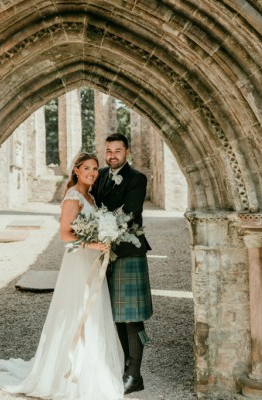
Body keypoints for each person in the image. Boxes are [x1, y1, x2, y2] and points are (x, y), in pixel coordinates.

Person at [0, 152, 125, 400]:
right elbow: (65, 236)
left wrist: (105, 237)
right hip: (79, 262)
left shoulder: (90, 196)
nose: (92, 173)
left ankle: (92, 366)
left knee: (93, 312)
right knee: (77, 311)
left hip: (91, 260)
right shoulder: (72, 197)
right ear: (76, 170)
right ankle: (67, 372)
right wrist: (94, 245)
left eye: (95, 169)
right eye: (87, 168)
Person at [90, 133, 153, 395]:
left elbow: (130, 213)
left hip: (129, 252)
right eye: (108, 151)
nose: (112, 155)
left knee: (132, 318)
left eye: (117, 150)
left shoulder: (137, 179)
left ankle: (135, 375)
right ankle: (125, 366)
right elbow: (90, 204)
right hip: (104, 253)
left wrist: (103, 227)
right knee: (115, 316)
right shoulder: (100, 175)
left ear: (127, 151)